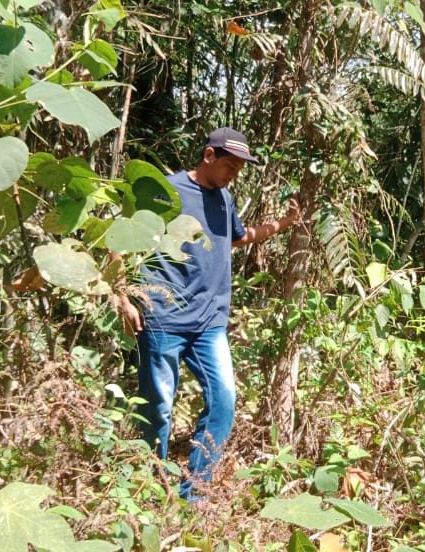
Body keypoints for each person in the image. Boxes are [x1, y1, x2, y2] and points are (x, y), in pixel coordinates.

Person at [114, 127, 300, 502]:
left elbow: (238, 237)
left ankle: (194, 495)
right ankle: (149, 491)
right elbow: (120, 234)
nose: (235, 174)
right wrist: (122, 295)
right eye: (230, 166)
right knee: (158, 409)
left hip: (209, 322)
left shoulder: (225, 199)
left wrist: (283, 223)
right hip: (162, 317)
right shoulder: (164, 190)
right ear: (208, 156)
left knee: (223, 402)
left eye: (240, 169)